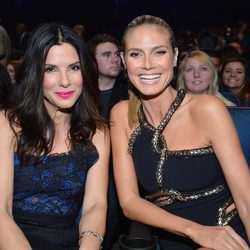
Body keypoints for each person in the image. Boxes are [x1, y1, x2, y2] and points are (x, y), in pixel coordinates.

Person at [110, 15, 250, 250]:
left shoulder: (207, 108)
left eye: (159, 52)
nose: (147, 64)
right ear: (124, 60)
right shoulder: (122, 115)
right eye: (136, 54)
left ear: (175, 56)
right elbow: (129, 202)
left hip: (226, 232)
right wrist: (195, 231)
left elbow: (246, 198)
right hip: (173, 238)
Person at [0, 22, 110, 250]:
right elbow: (1, 211)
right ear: (35, 74)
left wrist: (88, 247)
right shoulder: (7, 124)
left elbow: (95, 206)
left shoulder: (98, 131)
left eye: (73, 67)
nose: (65, 81)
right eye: (51, 69)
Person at [87, 33, 129, 249]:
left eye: (117, 54)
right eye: (106, 54)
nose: (115, 59)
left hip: (116, 171)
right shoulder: (80, 94)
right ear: (93, 62)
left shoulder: (130, 95)